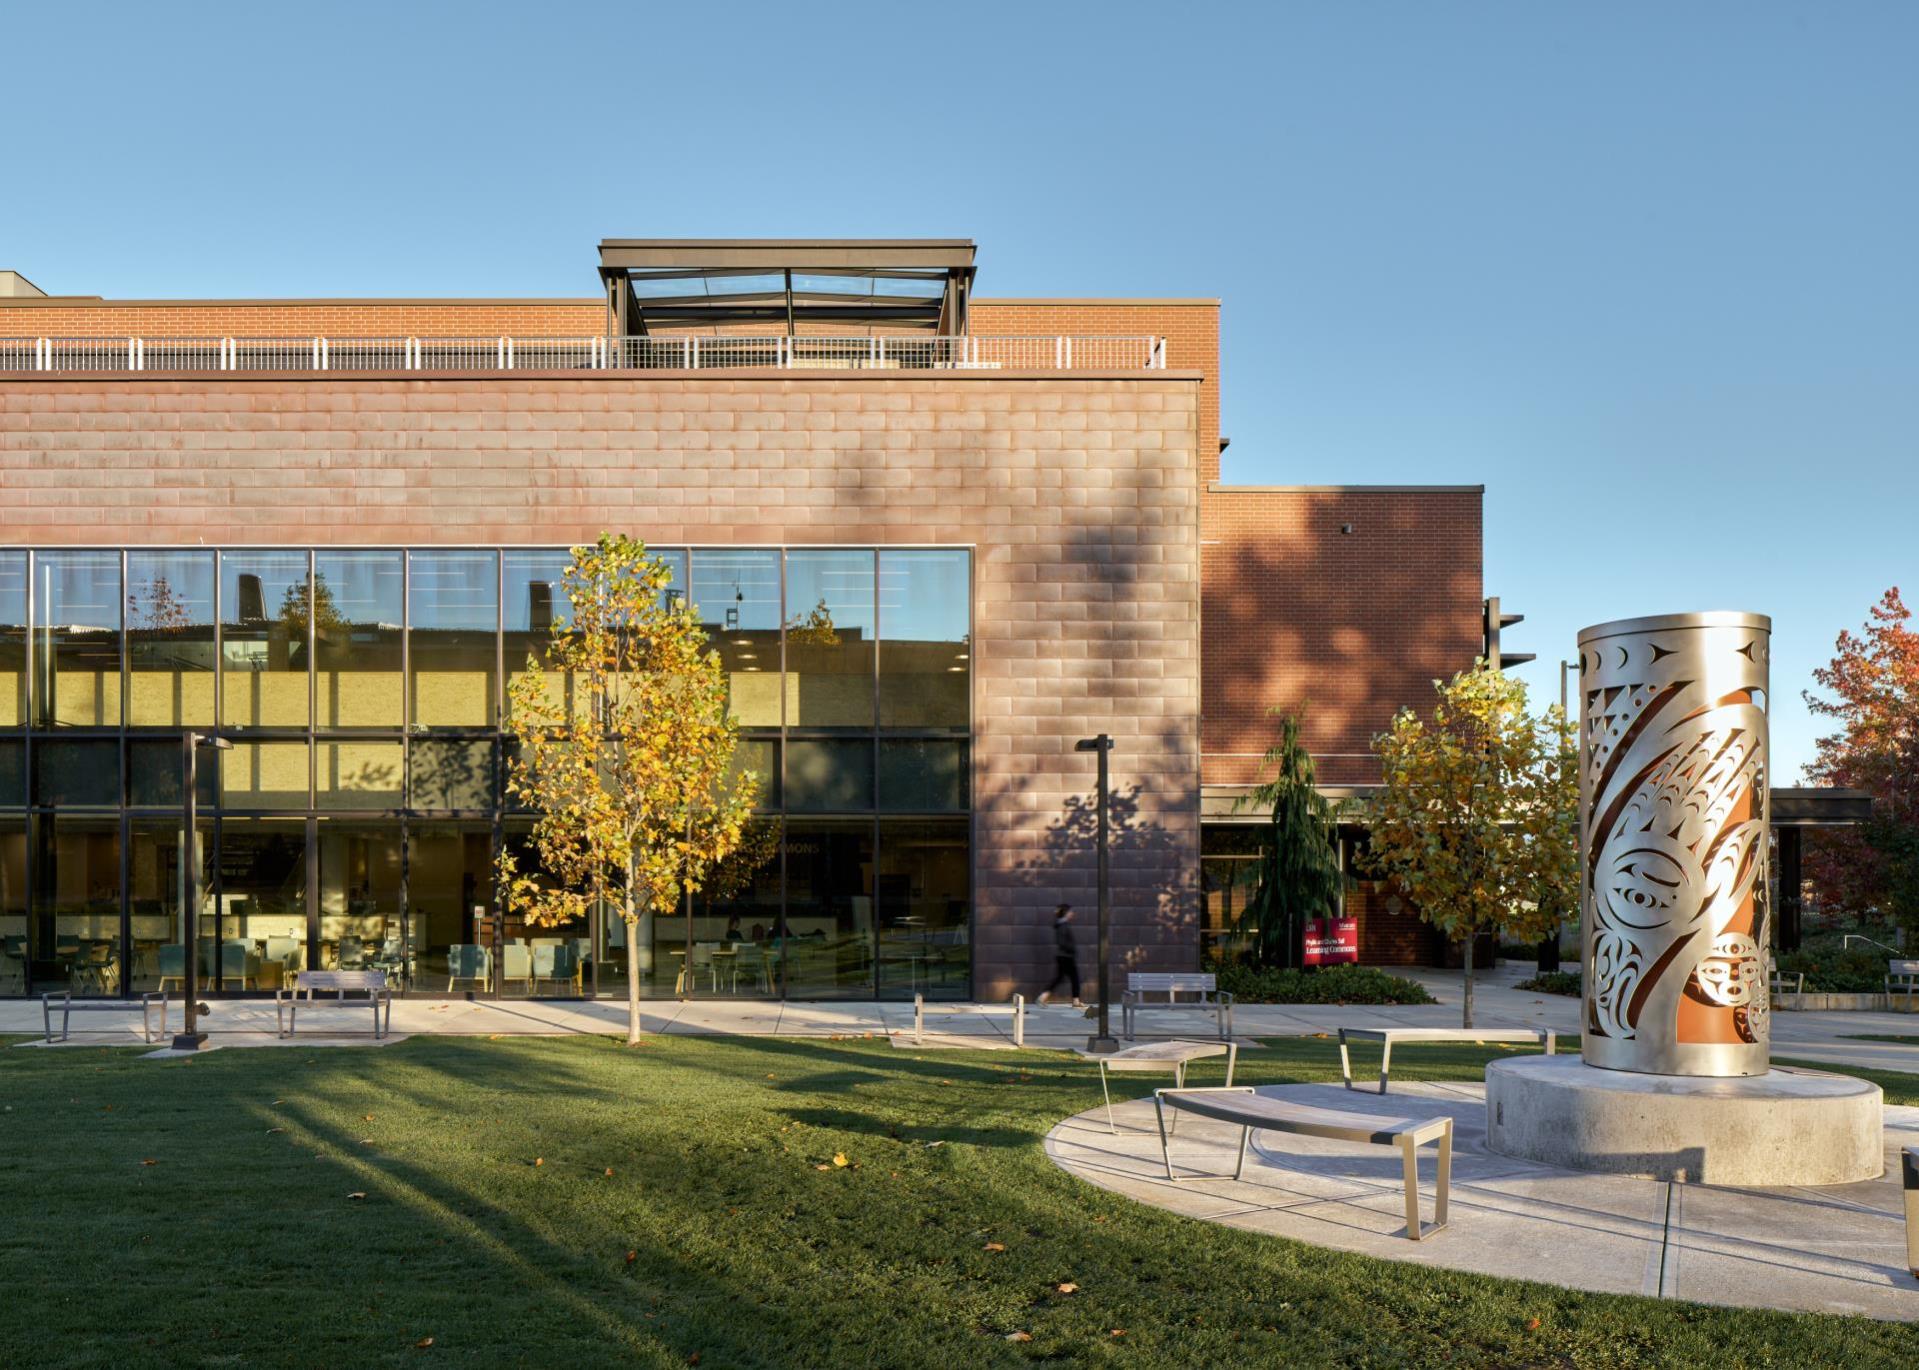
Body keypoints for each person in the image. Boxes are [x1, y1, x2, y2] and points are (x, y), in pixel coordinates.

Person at [1037, 903, 1084, 1008]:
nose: (1072, 913)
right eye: (1070, 911)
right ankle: (1043, 997)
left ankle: (1043, 997)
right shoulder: (1063, 925)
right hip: (1066, 956)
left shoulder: (1062, 924)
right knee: (1072, 978)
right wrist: (1071, 949)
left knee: (1064, 978)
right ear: (1066, 913)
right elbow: (1061, 942)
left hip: (1064, 956)